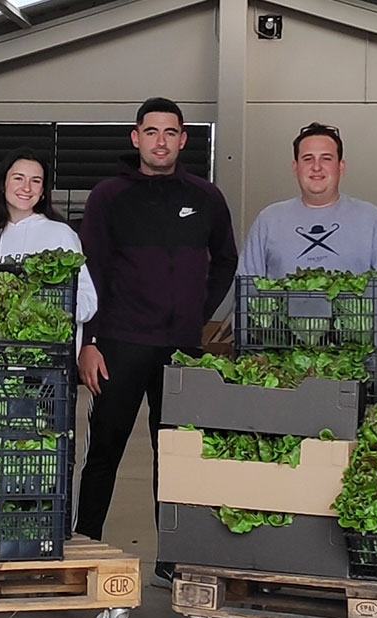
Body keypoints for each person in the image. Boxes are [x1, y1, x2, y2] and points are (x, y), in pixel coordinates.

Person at [73, 97, 239, 584]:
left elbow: (225, 260)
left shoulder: (206, 197)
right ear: (136, 137)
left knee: (176, 457)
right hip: (120, 343)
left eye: (171, 132)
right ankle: (85, 545)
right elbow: (90, 273)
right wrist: (91, 340)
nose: (161, 141)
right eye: (152, 131)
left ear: (183, 139)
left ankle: (173, 559)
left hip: (181, 349)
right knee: (104, 451)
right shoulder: (108, 196)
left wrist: (197, 315)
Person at [238, 122, 377, 391]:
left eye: (326, 159)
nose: (316, 167)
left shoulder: (371, 219)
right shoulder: (269, 220)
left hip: (357, 365)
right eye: (308, 159)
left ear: (341, 167)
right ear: (295, 167)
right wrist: (251, 352)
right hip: (283, 366)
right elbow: (246, 287)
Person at [0, 146, 98, 352]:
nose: (27, 187)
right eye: (18, 178)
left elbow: (87, 303)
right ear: (3, 184)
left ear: (42, 193)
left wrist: (43, 302)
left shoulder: (61, 234)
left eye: (36, 181)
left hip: (47, 365)